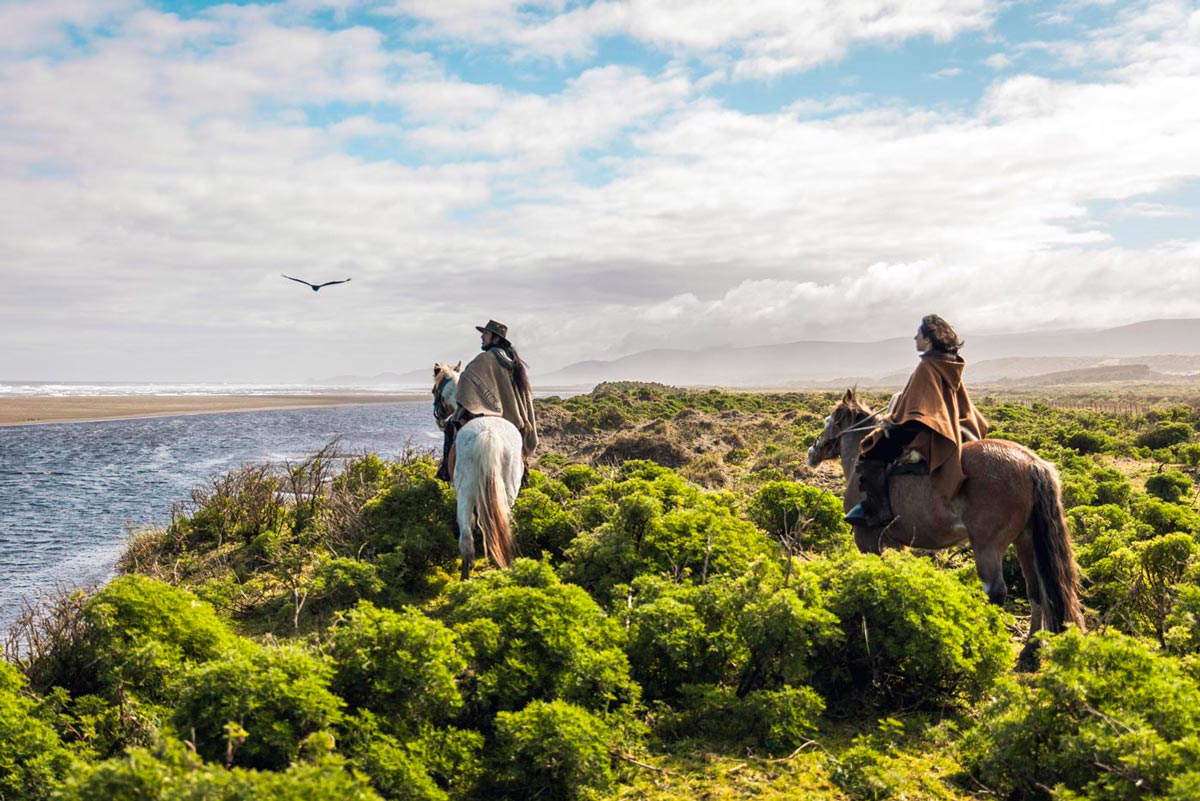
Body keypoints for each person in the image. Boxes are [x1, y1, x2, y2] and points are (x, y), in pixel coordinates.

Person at [844, 315, 989, 527]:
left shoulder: (927, 366)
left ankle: (878, 510)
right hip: (946, 424)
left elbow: (915, 410)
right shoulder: (949, 363)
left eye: (918, 334)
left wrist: (890, 421)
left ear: (928, 339)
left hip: (923, 427)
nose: (914, 338)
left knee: (871, 451)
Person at [436, 320, 538, 482]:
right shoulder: (514, 361)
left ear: (495, 338)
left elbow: (466, 382)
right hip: (514, 418)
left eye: (485, 334)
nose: (482, 337)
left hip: (489, 414)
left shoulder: (485, 359)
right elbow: (522, 395)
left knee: (450, 426)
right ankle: (523, 471)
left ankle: (445, 473)